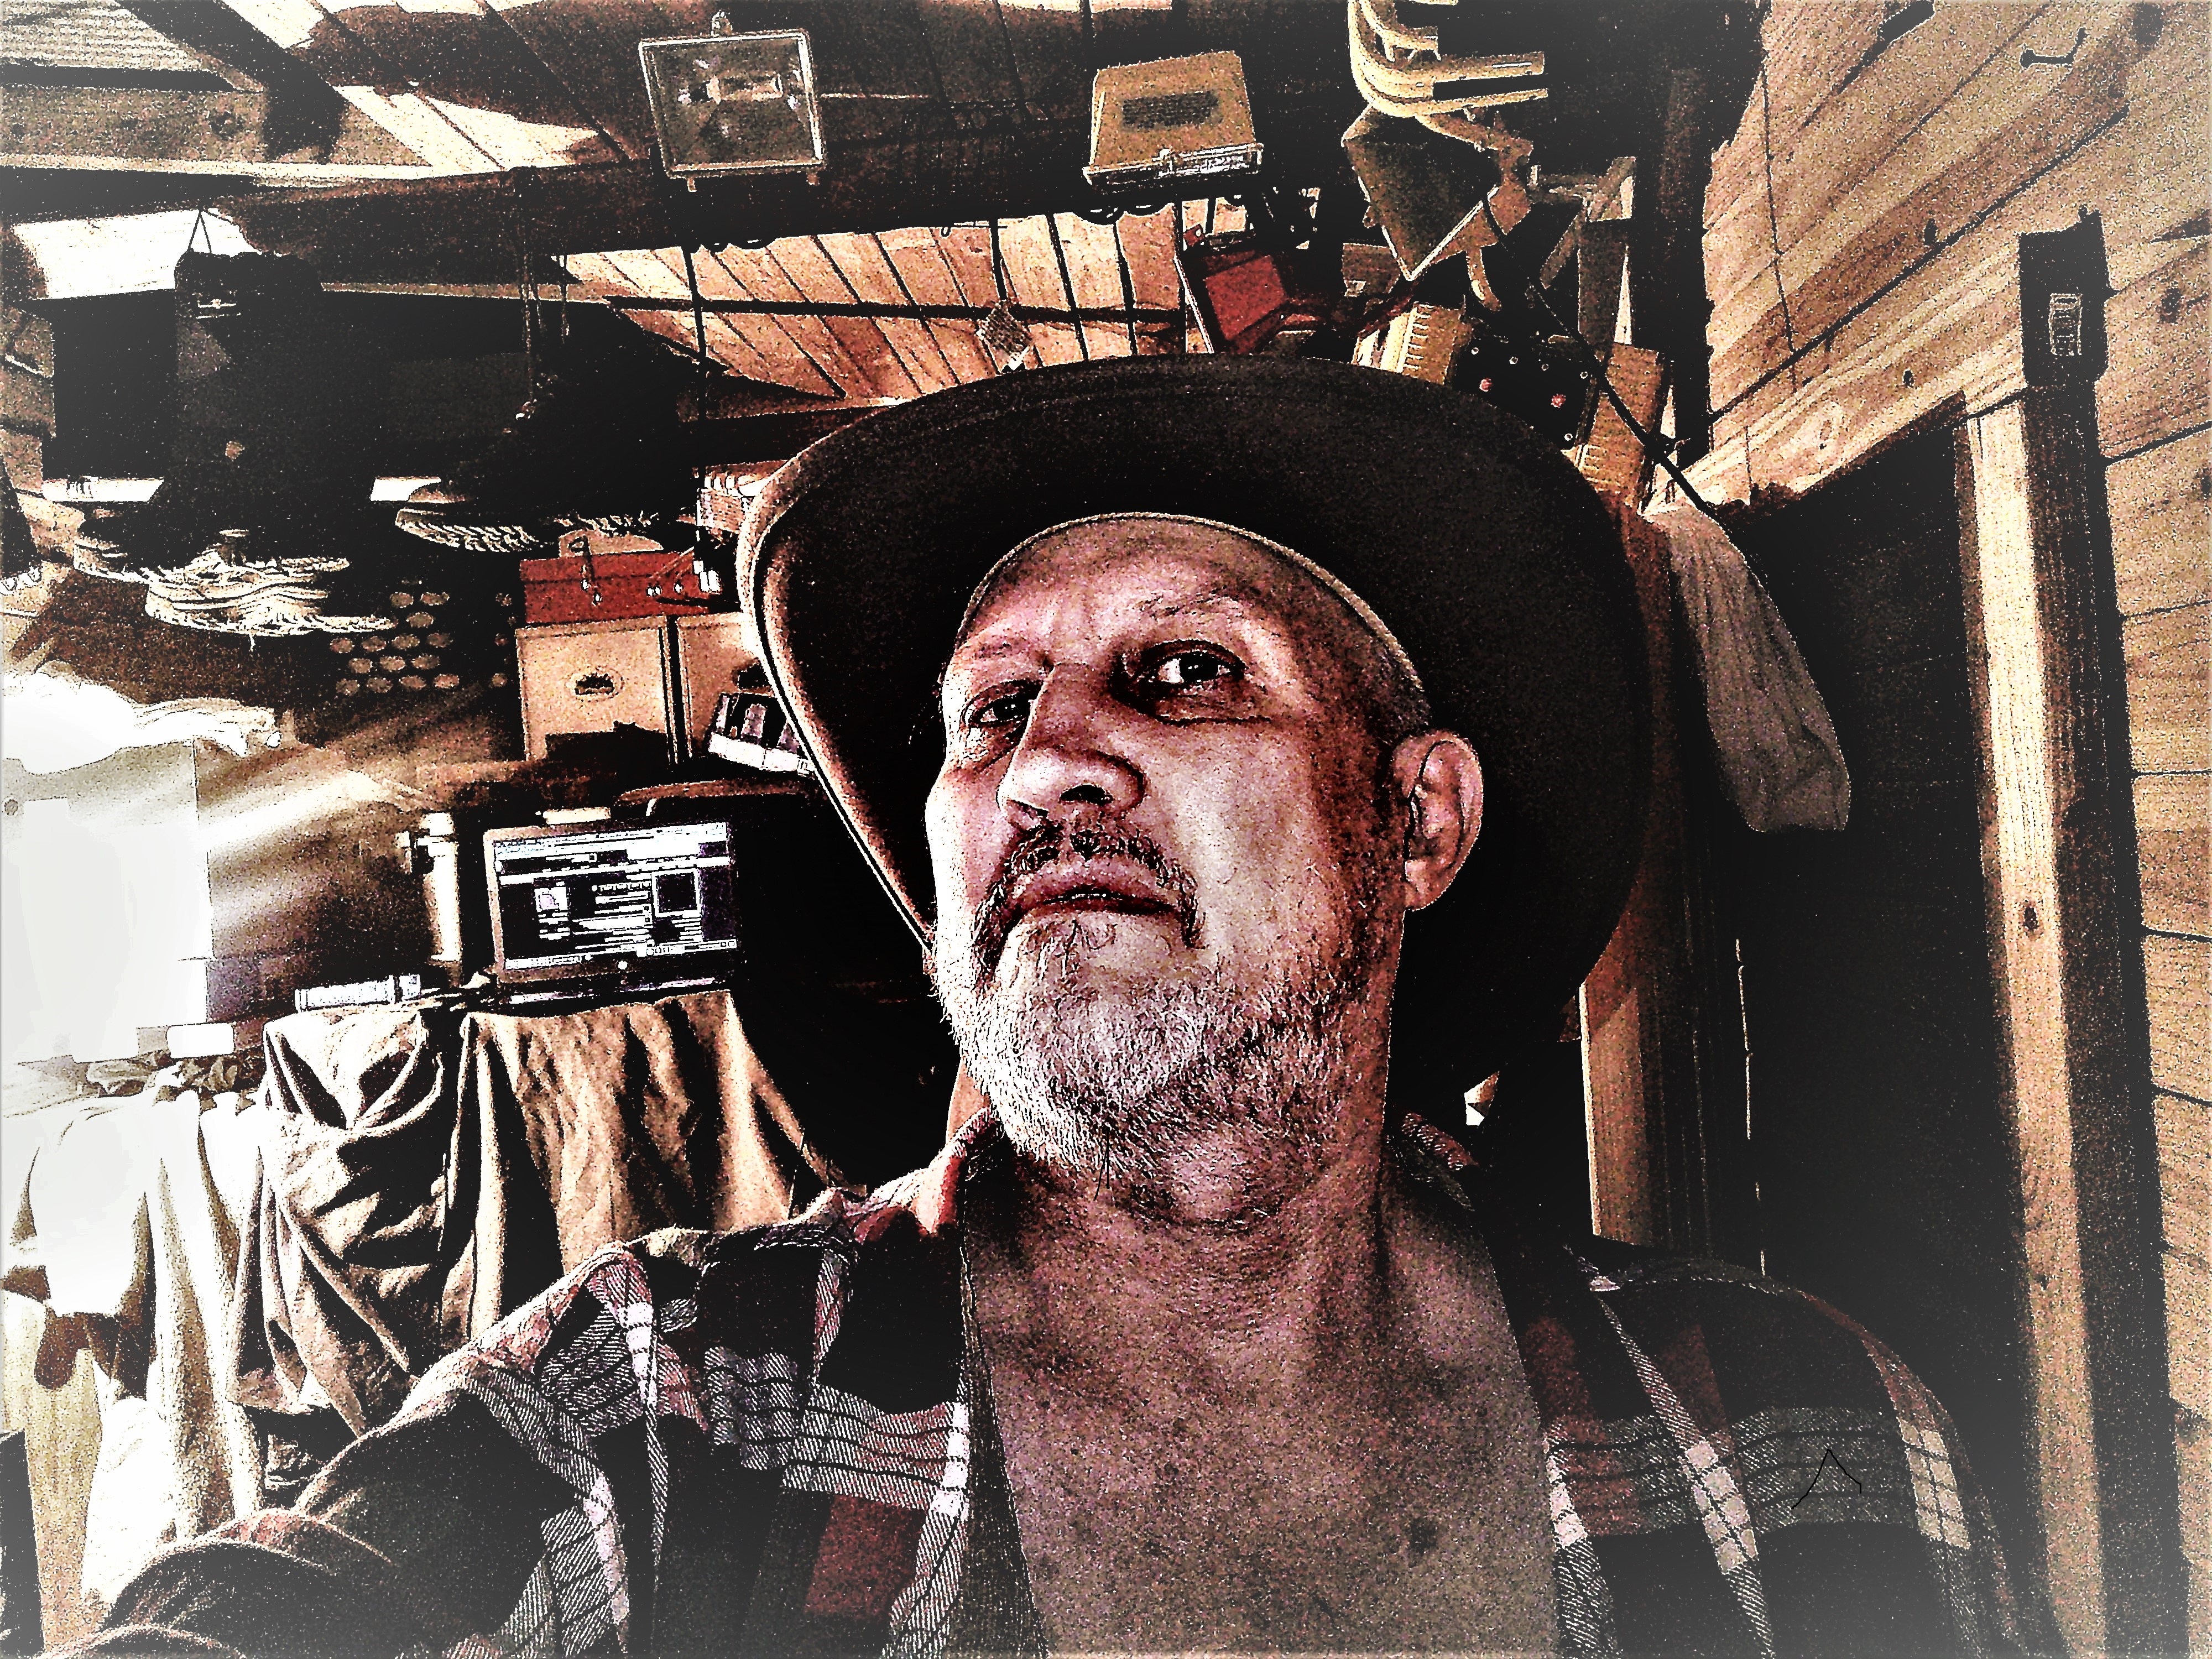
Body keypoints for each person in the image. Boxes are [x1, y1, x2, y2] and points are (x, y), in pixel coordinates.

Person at [82, 358, 2022, 1657]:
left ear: (1417, 819)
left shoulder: (1804, 1434)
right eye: (991, 711)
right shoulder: (666, 1415)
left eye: (1184, 673)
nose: (1045, 766)